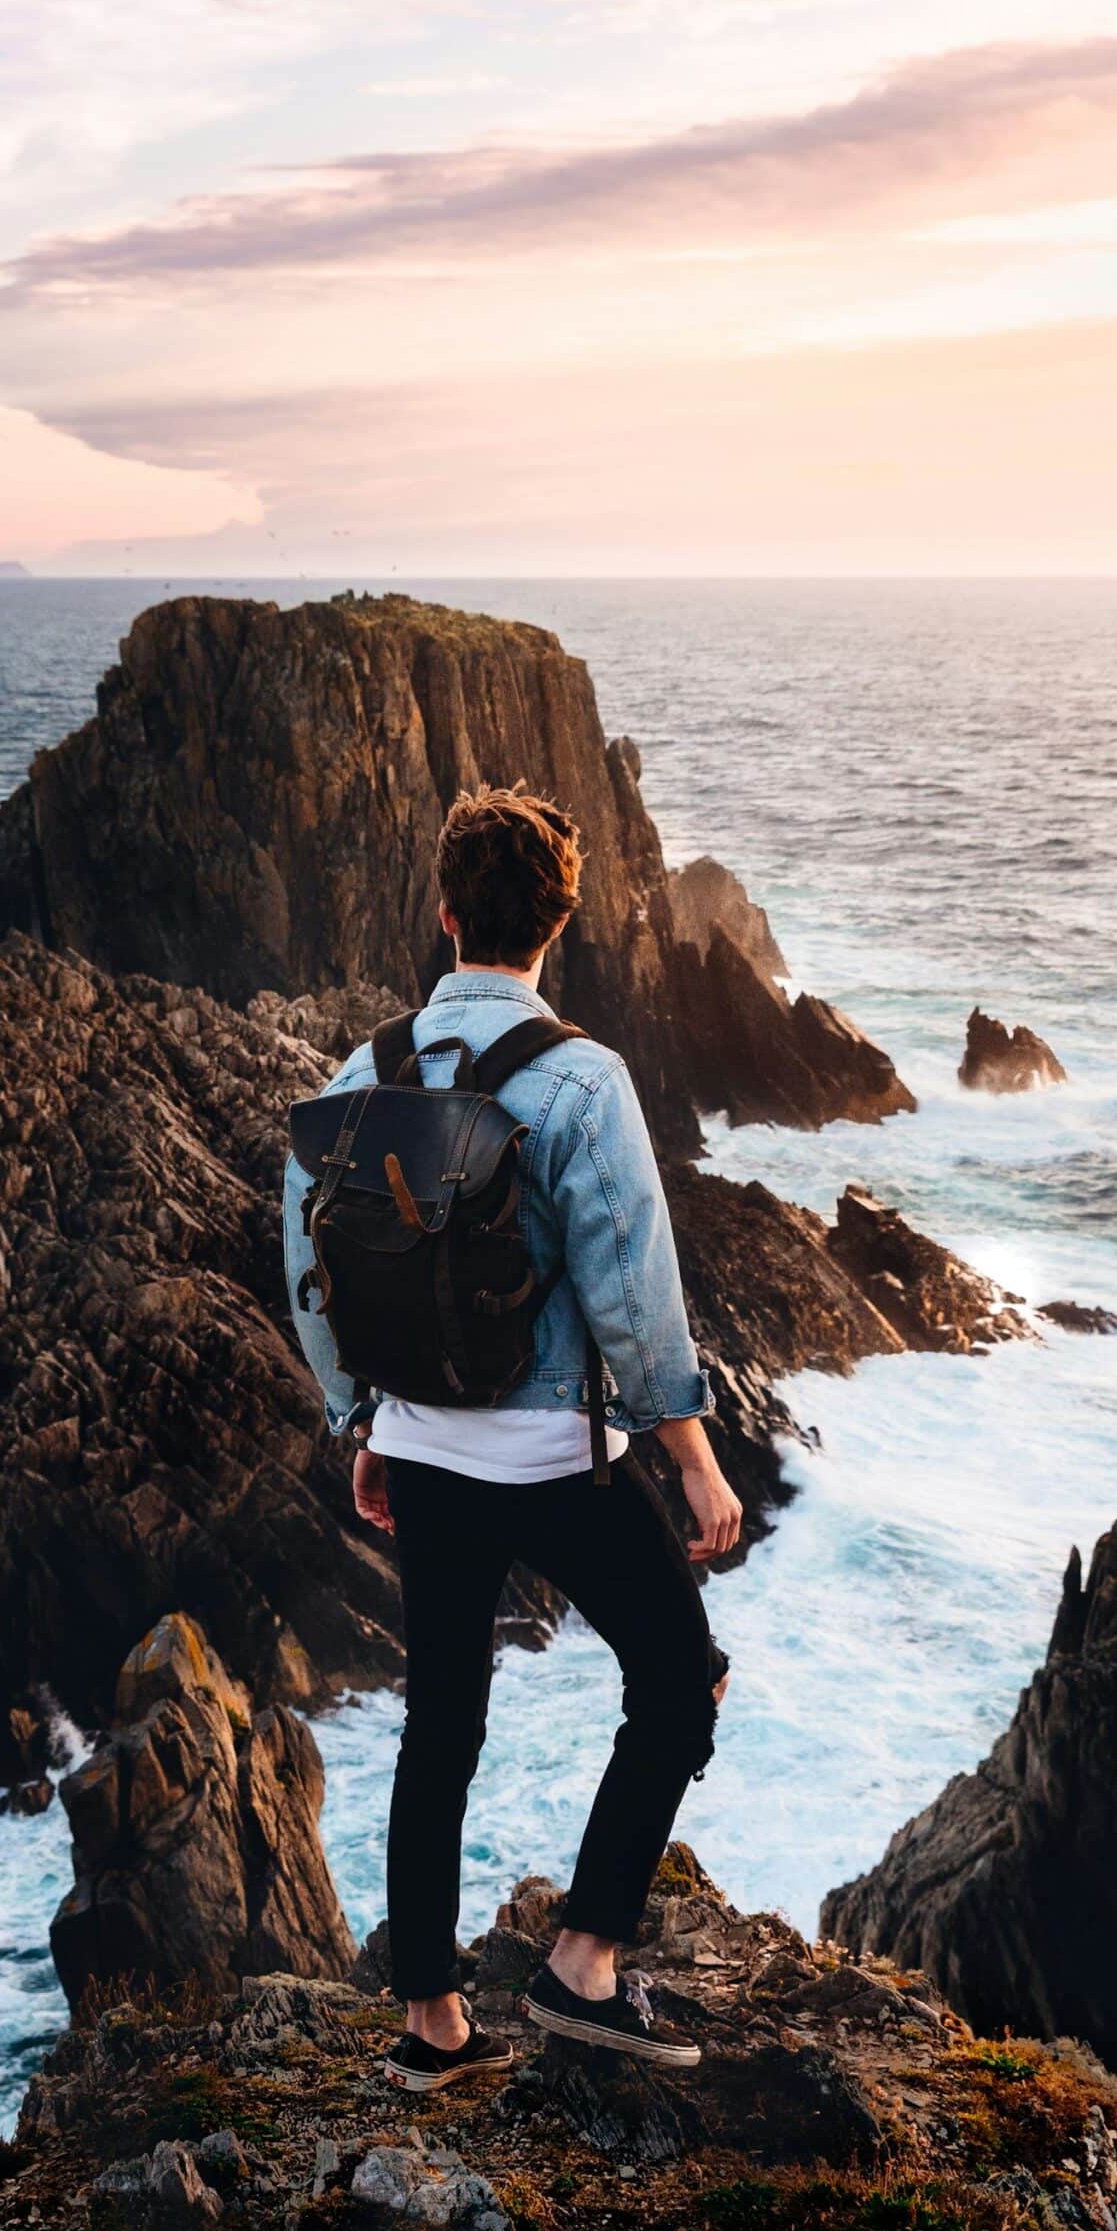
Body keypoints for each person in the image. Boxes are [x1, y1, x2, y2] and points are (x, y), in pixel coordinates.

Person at [282, 786, 740, 2087]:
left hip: (423, 1455)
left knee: (443, 1726)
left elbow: (315, 1266)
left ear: (443, 911)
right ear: (560, 919)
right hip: (552, 1465)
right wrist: (695, 1461)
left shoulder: (364, 1073)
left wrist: (360, 1420)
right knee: (679, 1680)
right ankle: (583, 1964)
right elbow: (632, 1293)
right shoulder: (583, 1083)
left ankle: (430, 2022)